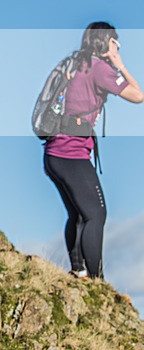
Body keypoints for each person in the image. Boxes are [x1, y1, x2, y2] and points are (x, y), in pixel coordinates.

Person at [43, 22, 142, 279]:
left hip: (53, 154)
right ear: (104, 41)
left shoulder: (74, 63)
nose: (117, 46)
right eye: (114, 41)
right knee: (96, 214)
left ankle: (78, 271)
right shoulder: (99, 69)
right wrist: (118, 64)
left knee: (78, 214)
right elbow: (137, 95)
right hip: (71, 154)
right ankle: (97, 280)